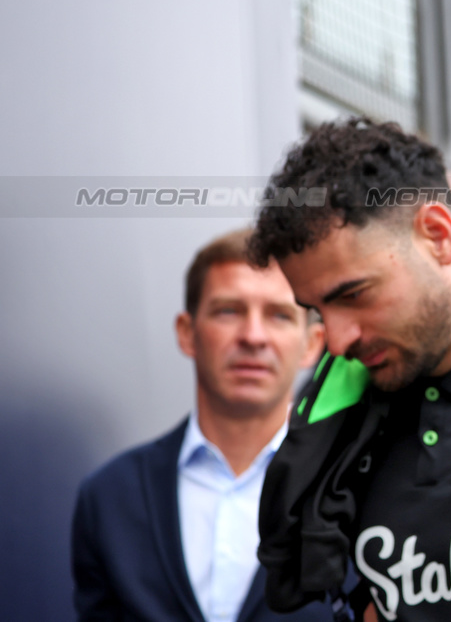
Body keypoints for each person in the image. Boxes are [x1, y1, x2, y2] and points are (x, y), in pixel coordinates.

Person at [249, 118, 451, 622]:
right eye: (317, 312)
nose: (338, 338)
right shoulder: (331, 437)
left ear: (437, 236)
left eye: (353, 295)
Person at [71, 229, 328, 622]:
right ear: (187, 333)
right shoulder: (108, 498)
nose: (253, 336)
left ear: (312, 344)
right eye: (229, 311)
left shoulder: (350, 491)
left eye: (278, 315)